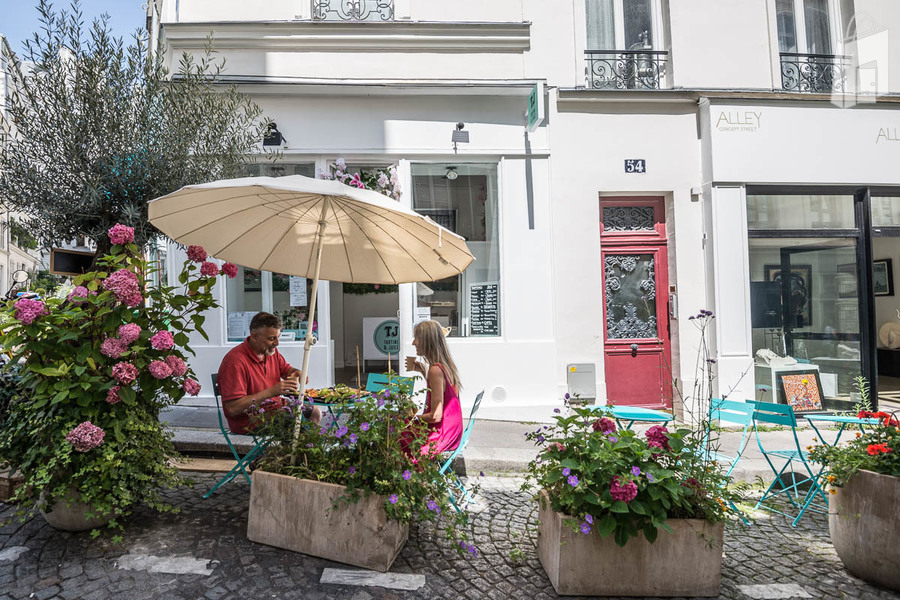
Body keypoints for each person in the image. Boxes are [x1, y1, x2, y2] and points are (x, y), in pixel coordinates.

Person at [217, 312, 321, 434]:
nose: (277, 343)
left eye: (278, 337)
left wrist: (296, 372)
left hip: (275, 409)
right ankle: (302, 444)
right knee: (299, 426)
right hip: (252, 420)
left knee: (315, 412)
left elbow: (287, 370)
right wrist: (272, 391)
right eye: (271, 339)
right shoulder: (235, 362)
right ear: (254, 336)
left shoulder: (270, 352)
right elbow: (233, 408)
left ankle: (304, 444)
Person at [407, 320, 463, 456]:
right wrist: (423, 372)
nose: (413, 343)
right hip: (453, 430)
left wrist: (412, 418)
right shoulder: (444, 366)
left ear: (427, 341)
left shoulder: (435, 370)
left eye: (416, 338)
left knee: (397, 436)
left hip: (442, 434)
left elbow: (435, 416)